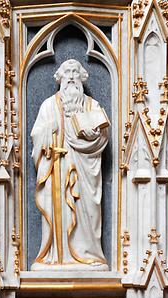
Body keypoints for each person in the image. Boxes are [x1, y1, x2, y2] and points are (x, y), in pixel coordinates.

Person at [30, 59, 109, 270]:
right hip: (57, 167)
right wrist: (51, 130)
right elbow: (37, 134)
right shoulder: (49, 105)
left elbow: (102, 137)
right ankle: (57, 256)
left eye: (75, 72)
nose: (72, 76)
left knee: (86, 210)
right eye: (67, 72)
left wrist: (89, 131)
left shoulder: (93, 106)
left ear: (82, 77)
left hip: (85, 172)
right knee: (60, 212)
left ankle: (88, 253)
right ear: (60, 78)